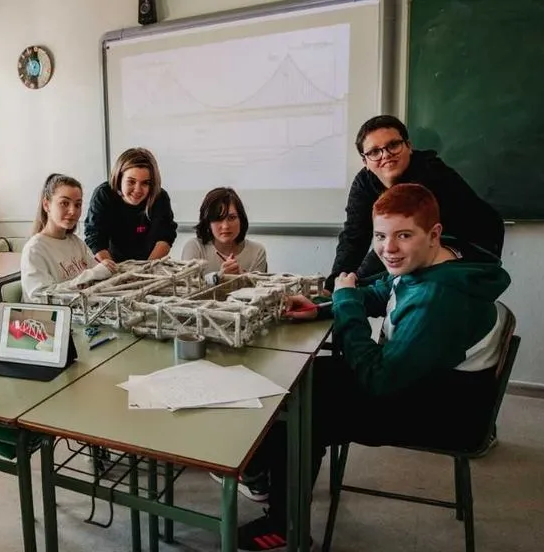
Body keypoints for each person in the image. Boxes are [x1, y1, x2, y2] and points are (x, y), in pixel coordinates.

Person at [236, 184, 511, 550]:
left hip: (445, 411)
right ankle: (273, 475)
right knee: (305, 381)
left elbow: (376, 380)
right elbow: (383, 292)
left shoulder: (437, 299)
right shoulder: (438, 259)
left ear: (434, 234)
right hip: (429, 380)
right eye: (380, 236)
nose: (388, 248)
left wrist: (346, 300)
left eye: (403, 235)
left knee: (304, 406)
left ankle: (282, 519)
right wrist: (324, 307)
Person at [325, 114, 504, 292]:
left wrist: (352, 284)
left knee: (415, 277)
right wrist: (334, 284)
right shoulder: (364, 182)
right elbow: (354, 236)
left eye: (393, 145)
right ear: (365, 161)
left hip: (474, 243)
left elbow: (393, 242)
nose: (385, 155)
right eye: (374, 152)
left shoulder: (431, 174)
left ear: (409, 146)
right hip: (435, 243)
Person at [21, 174, 118, 302]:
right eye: (64, 203)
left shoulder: (76, 243)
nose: (73, 211)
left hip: (83, 310)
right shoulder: (35, 249)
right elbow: (42, 298)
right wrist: (94, 273)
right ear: (46, 205)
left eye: (78, 205)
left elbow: (99, 276)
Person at [84, 147, 178, 263]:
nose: (137, 190)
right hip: (111, 262)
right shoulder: (104, 194)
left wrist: (146, 269)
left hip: (149, 263)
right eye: (131, 181)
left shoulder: (160, 197)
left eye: (145, 183)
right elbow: (95, 237)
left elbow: (165, 237)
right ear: (119, 178)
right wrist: (114, 270)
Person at [181, 187, 267, 279]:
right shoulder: (195, 247)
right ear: (208, 223)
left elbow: (261, 287)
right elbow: (186, 286)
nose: (225, 226)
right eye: (218, 219)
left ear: (241, 220)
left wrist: (241, 279)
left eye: (232, 218)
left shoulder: (257, 251)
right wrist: (219, 278)